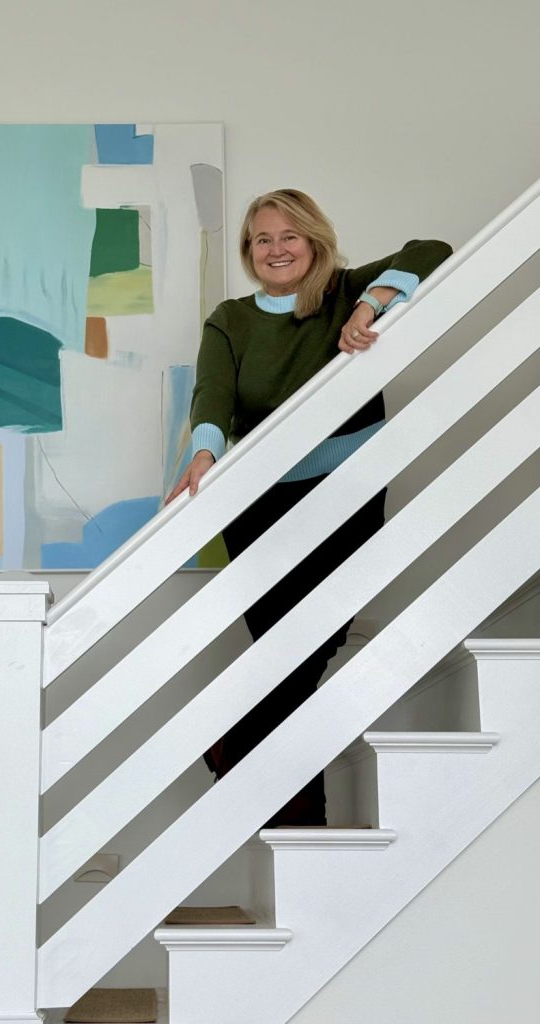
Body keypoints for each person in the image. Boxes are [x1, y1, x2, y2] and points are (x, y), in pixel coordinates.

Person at [167, 188, 452, 826]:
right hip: (259, 498)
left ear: (314, 241)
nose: (276, 249)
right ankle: (302, 817)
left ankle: (238, 746)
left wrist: (373, 303)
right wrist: (207, 450)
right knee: (281, 646)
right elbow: (213, 392)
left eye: (289, 236)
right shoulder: (231, 318)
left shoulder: (347, 289)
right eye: (263, 239)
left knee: (321, 634)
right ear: (249, 252)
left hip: (349, 480)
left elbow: (433, 249)